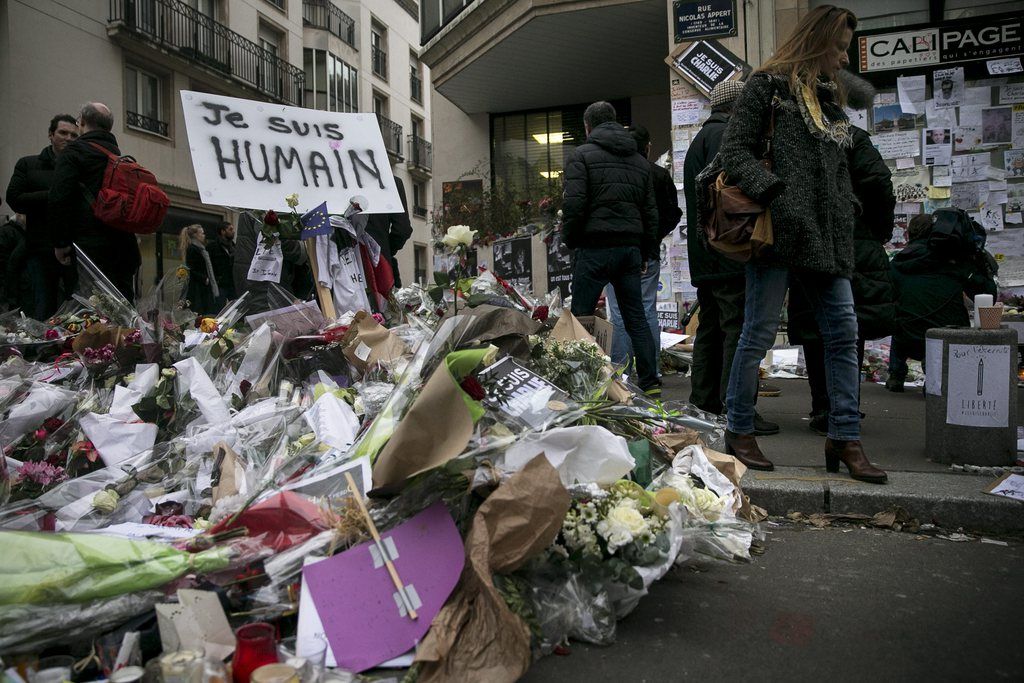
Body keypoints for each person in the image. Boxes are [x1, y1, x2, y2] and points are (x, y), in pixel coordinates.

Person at [713, 5, 887, 483]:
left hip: (829, 240)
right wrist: (776, 194)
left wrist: (846, 203)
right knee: (758, 334)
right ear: (816, 42)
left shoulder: (831, 100)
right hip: (777, 236)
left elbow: (838, 168)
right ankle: (739, 428)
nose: (843, 58)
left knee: (844, 337)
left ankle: (845, 437)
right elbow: (734, 153)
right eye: (838, 46)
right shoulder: (766, 87)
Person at [789, 110, 896, 435]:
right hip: (852, 235)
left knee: (814, 326)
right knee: (849, 326)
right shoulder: (853, 137)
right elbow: (879, 183)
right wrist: (875, 229)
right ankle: (844, 407)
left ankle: (824, 405)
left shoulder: (796, 141)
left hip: (809, 239)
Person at [683, 81, 779, 436]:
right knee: (737, 328)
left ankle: (704, 400)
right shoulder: (727, 137)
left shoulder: (701, 138)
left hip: (706, 253)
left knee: (711, 326)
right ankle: (736, 406)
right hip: (728, 248)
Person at [562, 101, 661, 395]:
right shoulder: (640, 162)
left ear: (587, 127)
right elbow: (650, 213)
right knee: (635, 317)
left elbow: (574, 204)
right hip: (629, 249)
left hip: (593, 249)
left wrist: (572, 240)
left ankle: (581, 380)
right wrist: (646, 252)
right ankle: (650, 382)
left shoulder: (580, 156)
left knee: (582, 317)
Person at [886, 213, 997, 392]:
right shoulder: (955, 263)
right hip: (948, 337)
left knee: (900, 320)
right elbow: (988, 296)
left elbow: (888, 299)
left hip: (908, 336)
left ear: (909, 235)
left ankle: (896, 375)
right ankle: (933, 377)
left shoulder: (897, 264)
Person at [604, 124, 681, 377]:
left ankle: (621, 374)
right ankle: (652, 371)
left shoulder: (614, 173)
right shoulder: (658, 175)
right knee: (647, 310)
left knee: (618, 313)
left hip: (616, 252)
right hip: (647, 253)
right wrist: (654, 236)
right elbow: (673, 213)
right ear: (648, 147)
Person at [48, 103, 141, 301]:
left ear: (81, 122)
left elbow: (59, 198)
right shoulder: (119, 157)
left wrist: (60, 243)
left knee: (89, 311)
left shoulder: (74, 153)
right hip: (124, 246)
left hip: (89, 247)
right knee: (121, 312)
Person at [5, 114, 79, 319]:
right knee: (42, 307)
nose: (69, 138)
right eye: (63, 133)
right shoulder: (29, 165)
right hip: (39, 248)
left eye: (74, 135)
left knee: (78, 309)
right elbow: (14, 198)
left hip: (74, 249)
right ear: (51, 135)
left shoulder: (80, 167)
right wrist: (53, 196)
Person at [232, 212, 309, 314]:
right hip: (266, 287)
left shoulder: (249, 210)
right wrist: (306, 247)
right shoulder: (262, 209)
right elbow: (274, 237)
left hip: (256, 280)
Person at [363, 176, 413, 288]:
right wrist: (383, 249)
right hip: (379, 266)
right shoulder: (392, 182)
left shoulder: (336, 181)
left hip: (340, 264)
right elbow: (402, 230)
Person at [180, 225, 219, 314]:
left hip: (203, 286)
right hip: (198, 287)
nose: (204, 235)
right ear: (195, 235)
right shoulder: (193, 249)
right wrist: (205, 279)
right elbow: (191, 268)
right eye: (202, 233)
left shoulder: (201, 249)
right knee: (200, 311)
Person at [0, 214, 27, 311]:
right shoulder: (7, 232)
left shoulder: (21, 232)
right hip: (11, 294)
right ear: (19, 214)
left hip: (18, 292)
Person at [208, 221, 236, 308]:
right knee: (218, 308)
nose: (233, 231)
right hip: (220, 284)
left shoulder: (234, 247)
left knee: (236, 308)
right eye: (230, 229)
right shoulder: (212, 246)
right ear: (223, 231)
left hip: (232, 283)